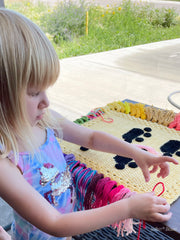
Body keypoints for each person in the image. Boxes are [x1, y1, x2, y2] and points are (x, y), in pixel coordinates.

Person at [0, 8, 178, 240]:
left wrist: (135, 152)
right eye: (34, 93)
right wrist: (127, 208)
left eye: (45, 89)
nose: (46, 101)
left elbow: (90, 138)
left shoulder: (44, 120)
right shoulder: (5, 161)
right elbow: (55, 223)